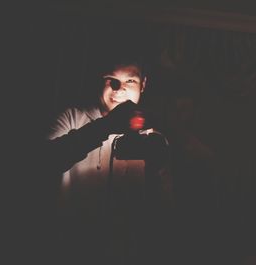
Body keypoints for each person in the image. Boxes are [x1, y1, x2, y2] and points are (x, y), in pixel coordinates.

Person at [43, 52, 173, 265]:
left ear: (143, 84)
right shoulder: (73, 119)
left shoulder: (152, 138)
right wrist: (106, 126)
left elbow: (164, 209)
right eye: (110, 79)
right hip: (68, 247)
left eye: (130, 80)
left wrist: (157, 171)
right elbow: (43, 162)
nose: (119, 88)